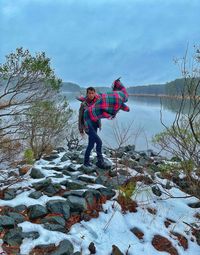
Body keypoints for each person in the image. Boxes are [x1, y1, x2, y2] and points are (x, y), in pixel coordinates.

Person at [77, 87, 107, 168]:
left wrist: (100, 124)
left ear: (95, 93)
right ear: (87, 94)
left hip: (95, 125)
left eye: (92, 93)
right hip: (87, 127)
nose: (91, 95)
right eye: (89, 93)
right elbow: (80, 117)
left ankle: (86, 162)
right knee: (99, 142)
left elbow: (100, 113)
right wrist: (80, 129)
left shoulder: (97, 103)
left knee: (91, 145)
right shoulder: (83, 104)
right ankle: (100, 162)